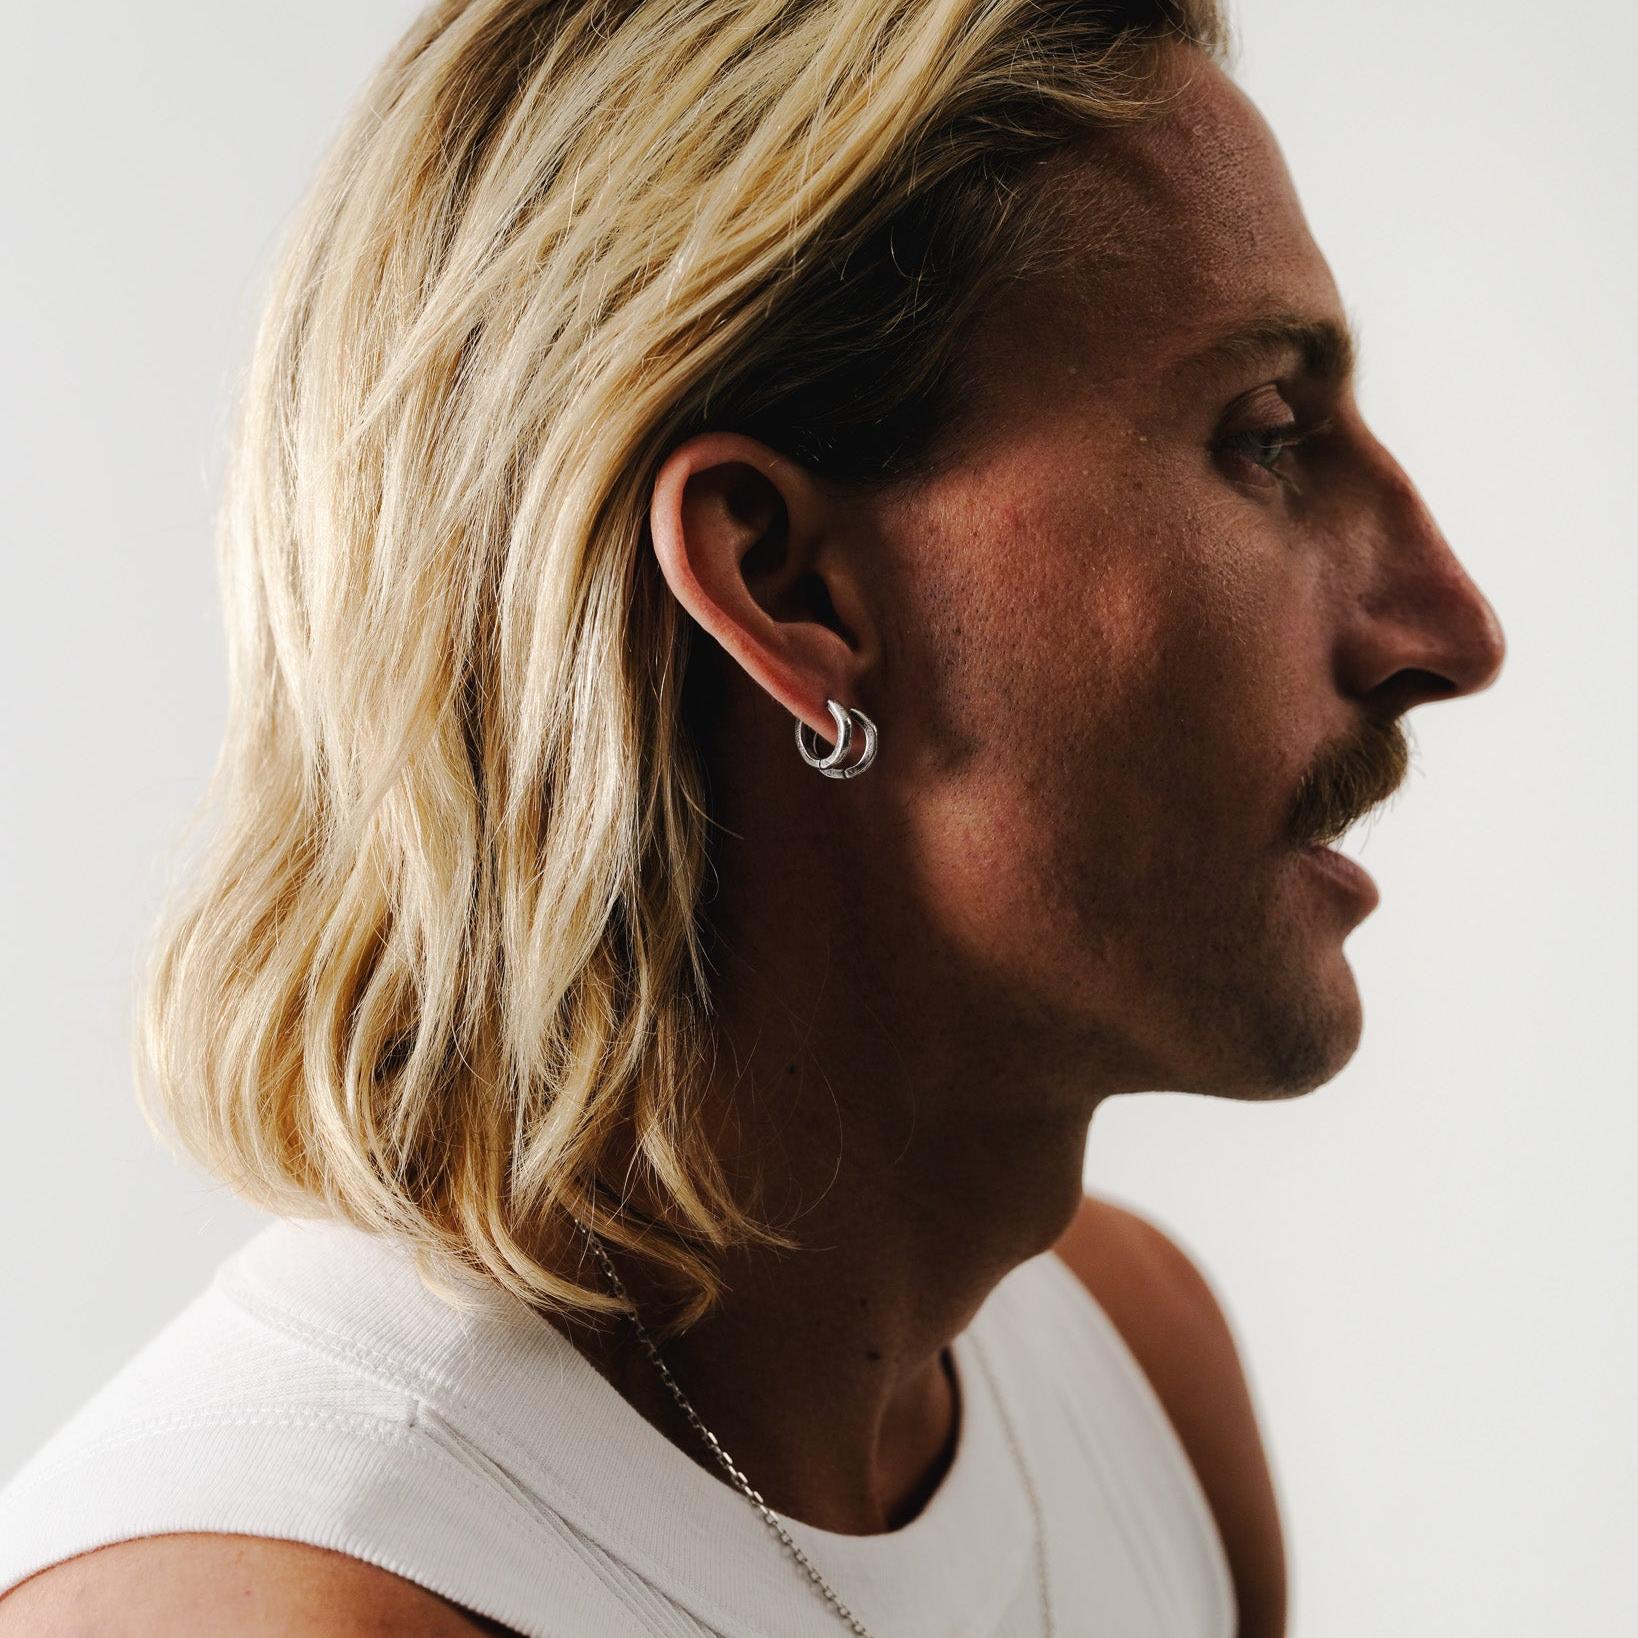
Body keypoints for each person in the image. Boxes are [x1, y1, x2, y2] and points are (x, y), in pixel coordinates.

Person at [0, 0, 1506, 1634]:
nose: (1448, 629)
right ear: (783, 583)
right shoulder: (289, 1601)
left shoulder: (1138, 1372)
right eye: (1267, 438)